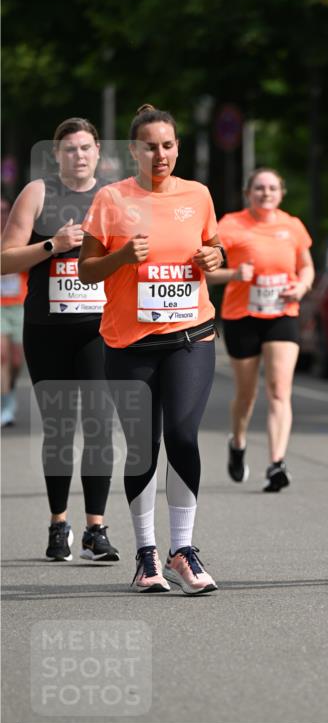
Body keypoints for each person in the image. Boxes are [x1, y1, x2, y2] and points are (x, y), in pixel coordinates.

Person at [79, 104, 224, 596]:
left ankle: (183, 549)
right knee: (143, 445)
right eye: (149, 146)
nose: (159, 154)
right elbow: (86, 270)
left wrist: (214, 256)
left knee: (183, 434)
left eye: (167, 145)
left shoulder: (198, 194)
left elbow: (216, 249)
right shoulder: (111, 198)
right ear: (134, 151)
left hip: (191, 335)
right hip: (130, 343)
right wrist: (121, 255)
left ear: (177, 147)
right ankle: (146, 556)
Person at [0, 119, 118, 562]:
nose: (79, 156)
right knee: (58, 428)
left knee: (99, 425)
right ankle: (58, 523)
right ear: (56, 154)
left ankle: (96, 529)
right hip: (47, 328)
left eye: (86, 148)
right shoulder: (37, 193)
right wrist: (53, 245)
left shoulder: (113, 195)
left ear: (98, 152)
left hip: (99, 328)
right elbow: (4, 260)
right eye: (70, 150)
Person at [207, 168, 314, 492]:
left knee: (280, 390)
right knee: (246, 394)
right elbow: (208, 273)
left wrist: (302, 286)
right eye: (259, 188)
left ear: (281, 193)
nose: (265, 193)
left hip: (283, 312)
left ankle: (276, 463)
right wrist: (235, 274)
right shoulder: (231, 225)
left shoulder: (292, 226)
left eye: (271, 188)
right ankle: (237, 442)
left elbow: (306, 266)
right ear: (247, 193)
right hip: (243, 316)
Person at [1, 194, 27, 427]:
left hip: (19, 305)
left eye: (4, 211)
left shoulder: (19, 237)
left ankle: (8, 392)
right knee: (2, 355)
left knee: (17, 358)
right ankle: (5, 406)